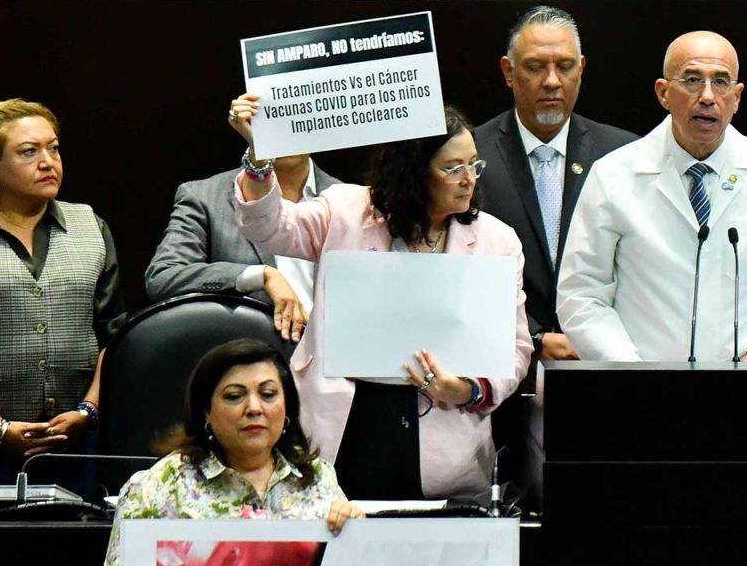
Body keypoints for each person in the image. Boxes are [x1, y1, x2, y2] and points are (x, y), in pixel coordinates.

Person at [228, 100, 532, 499]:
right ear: (413, 173)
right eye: (452, 168)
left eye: (474, 165)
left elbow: (516, 348)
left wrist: (467, 389)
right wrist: (259, 159)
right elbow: (268, 227)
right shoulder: (344, 211)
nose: (468, 179)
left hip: (445, 433)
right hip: (347, 423)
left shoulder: (498, 241)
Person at [556, 31, 747, 363]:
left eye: (721, 82)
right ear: (663, 92)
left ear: (737, 97)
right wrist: (632, 371)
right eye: (692, 80)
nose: (707, 96)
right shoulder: (613, 175)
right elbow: (581, 293)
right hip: (641, 383)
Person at [0, 99, 128, 501]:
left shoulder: (90, 226)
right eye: (29, 152)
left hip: (75, 441)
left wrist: (88, 411)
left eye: (54, 148)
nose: (48, 162)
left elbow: (115, 336)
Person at [473, 6, 637, 363]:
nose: (551, 81)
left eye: (564, 66)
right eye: (534, 67)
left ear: (582, 69)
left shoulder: (625, 155)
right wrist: (533, 337)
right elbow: (461, 268)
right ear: (508, 72)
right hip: (502, 363)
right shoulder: (472, 157)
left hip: (607, 363)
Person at [104, 339, 362, 566]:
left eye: (268, 394)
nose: (254, 408)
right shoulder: (159, 486)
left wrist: (355, 534)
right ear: (206, 412)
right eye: (235, 396)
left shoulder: (318, 478)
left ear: (287, 410)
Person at [145, 152, 342, 343]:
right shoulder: (205, 196)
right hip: (250, 353)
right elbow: (163, 277)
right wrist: (260, 276)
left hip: (333, 355)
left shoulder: (351, 199)